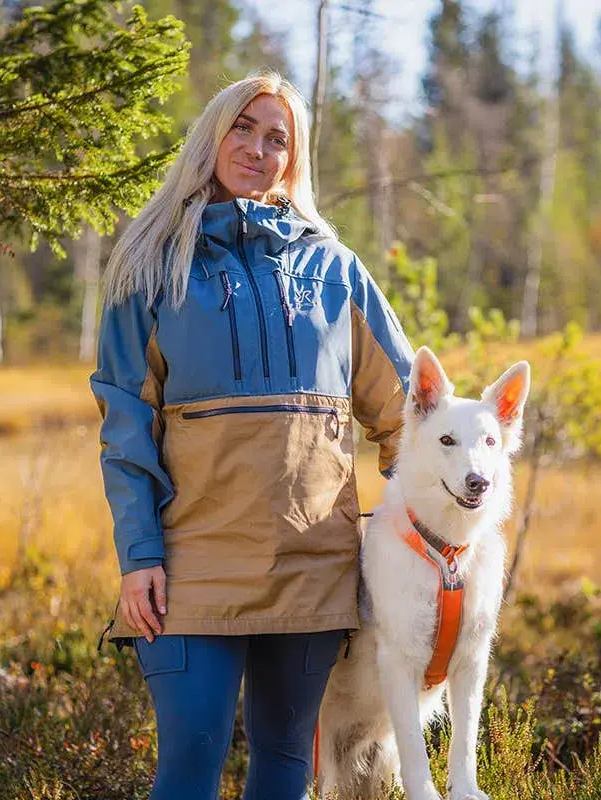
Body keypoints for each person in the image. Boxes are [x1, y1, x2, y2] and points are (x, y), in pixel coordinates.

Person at [90, 71, 414, 800]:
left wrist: (421, 547)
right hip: (189, 564)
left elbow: (408, 416)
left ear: (293, 163)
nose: (258, 148)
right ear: (212, 132)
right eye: (244, 127)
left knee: (287, 767)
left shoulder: (336, 272)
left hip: (312, 563)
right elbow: (125, 428)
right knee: (187, 767)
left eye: (279, 139)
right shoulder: (149, 268)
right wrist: (139, 554)